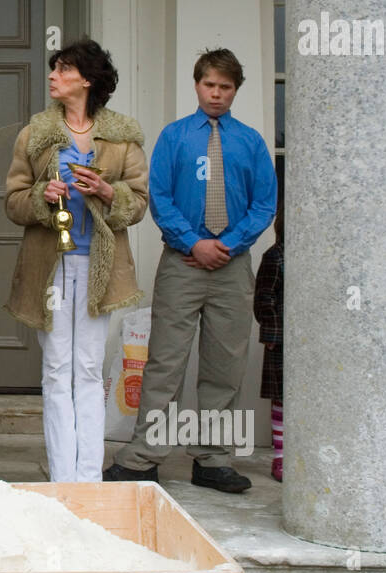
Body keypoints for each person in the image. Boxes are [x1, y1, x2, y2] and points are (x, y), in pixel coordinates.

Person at [103, 48, 276, 493]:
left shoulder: (251, 142)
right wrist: (194, 243)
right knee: (165, 362)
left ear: (236, 90)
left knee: (225, 366)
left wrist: (228, 244)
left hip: (232, 266)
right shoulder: (175, 137)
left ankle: (213, 459)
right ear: (196, 85)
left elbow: (264, 204)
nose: (216, 94)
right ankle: (144, 456)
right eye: (209, 85)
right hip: (182, 263)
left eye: (225, 87)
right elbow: (159, 196)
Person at [4, 39, 149, 482]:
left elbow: (139, 203)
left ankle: (89, 478)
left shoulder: (123, 137)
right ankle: (62, 479)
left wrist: (108, 192)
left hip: (97, 268)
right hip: (50, 266)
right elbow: (12, 202)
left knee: (87, 369)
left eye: (62, 69)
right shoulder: (34, 134)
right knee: (55, 369)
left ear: (86, 79)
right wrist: (42, 197)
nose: (52, 76)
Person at [253, 208, 284, 482]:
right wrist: (273, 335)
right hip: (282, 341)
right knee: (282, 400)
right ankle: (281, 457)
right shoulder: (276, 257)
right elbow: (264, 298)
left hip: (309, 344)